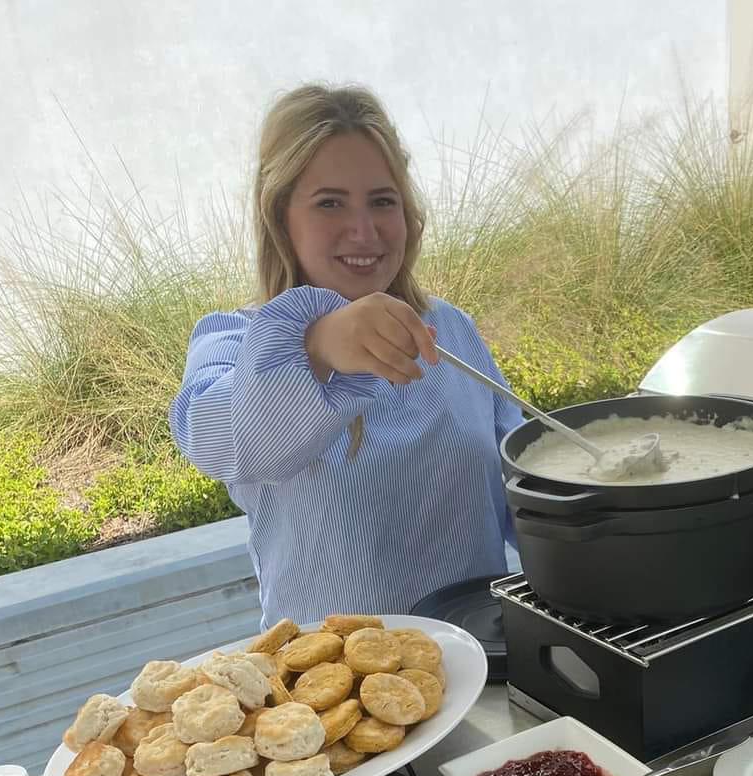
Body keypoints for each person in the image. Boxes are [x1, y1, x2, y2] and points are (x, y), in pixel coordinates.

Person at [169, 83, 523, 625]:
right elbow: (216, 440)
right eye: (330, 203)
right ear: (280, 217)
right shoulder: (233, 341)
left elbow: (524, 484)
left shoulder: (450, 330)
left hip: (484, 654)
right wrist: (314, 346)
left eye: (382, 201)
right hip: (331, 673)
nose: (364, 231)